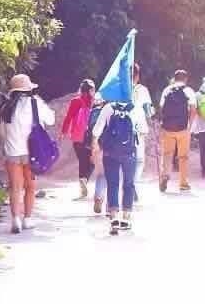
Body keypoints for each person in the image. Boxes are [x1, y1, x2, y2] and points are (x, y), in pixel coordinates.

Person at [0, 74, 55, 234]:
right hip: (32, 153)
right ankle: (27, 219)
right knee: (30, 187)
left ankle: (15, 219)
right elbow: (51, 120)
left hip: (12, 153)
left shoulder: (5, 108)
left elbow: (2, 133)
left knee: (15, 188)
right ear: (28, 89)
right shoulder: (35, 103)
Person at [92, 94, 142, 233]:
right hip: (129, 153)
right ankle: (126, 218)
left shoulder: (108, 108)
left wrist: (95, 145)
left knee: (112, 183)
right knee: (129, 184)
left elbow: (97, 130)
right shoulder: (136, 108)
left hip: (110, 153)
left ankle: (114, 217)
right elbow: (144, 130)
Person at [159, 70, 197, 192]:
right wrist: (189, 126)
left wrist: (163, 123)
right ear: (185, 79)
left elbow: (161, 107)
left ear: (174, 79)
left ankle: (165, 176)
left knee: (167, 154)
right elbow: (193, 109)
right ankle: (183, 183)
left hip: (168, 127)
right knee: (183, 157)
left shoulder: (167, 90)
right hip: (183, 129)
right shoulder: (188, 91)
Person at [61, 79, 97, 200]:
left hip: (77, 136)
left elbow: (68, 117)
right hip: (90, 137)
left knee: (82, 160)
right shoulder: (95, 102)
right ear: (91, 90)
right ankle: (85, 179)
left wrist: (63, 132)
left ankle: (82, 184)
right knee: (92, 162)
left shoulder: (75, 101)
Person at [131, 63, 156, 181]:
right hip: (138, 127)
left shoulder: (119, 88)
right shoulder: (142, 90)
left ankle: (126, 183)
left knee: (123, 158)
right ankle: (133, 183)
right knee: (139, 159)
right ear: (137, 76)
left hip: (120, 127)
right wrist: (152, 112)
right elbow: (149, 111)